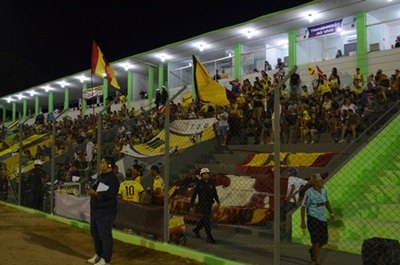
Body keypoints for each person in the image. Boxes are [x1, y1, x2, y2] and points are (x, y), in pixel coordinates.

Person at [87, 156, 120, 265]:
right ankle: (98, 254)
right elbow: (95, 188)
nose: (100, 165)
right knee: (95, 232)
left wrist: (95, 193)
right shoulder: (101, 177)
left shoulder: (113, 180)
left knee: (104, 234)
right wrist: (90, 190)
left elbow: (110, 194)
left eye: (103, 163)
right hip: (96, 210)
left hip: (106, 211)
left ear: (109, 165)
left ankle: (106, 259)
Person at [300, 173, 336, 265]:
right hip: (313, 218)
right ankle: (316, 261)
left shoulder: (324, 190)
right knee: (315, 240)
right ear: (315, 183)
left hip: (322, 219)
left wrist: (331, 214)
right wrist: (303, 222)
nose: (322, 182)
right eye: (319, 181)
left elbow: (327, 202)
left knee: (323, 240)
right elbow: (303, 207)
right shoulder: (309, 193)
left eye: (321, 180)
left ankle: (312, 251)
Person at [190, 168, 220, 243]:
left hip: (209, 203)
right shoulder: (199, 184)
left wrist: (217, 201)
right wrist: (191, 205)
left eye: (207, 173)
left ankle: (196, 229)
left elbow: (214, 193)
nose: (206, 175)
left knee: (205, 219)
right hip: (202, 205)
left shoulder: (211, 183)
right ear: (201, 175)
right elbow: (194, 195)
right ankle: (209, 236)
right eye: (204, 174)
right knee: (207, 220)